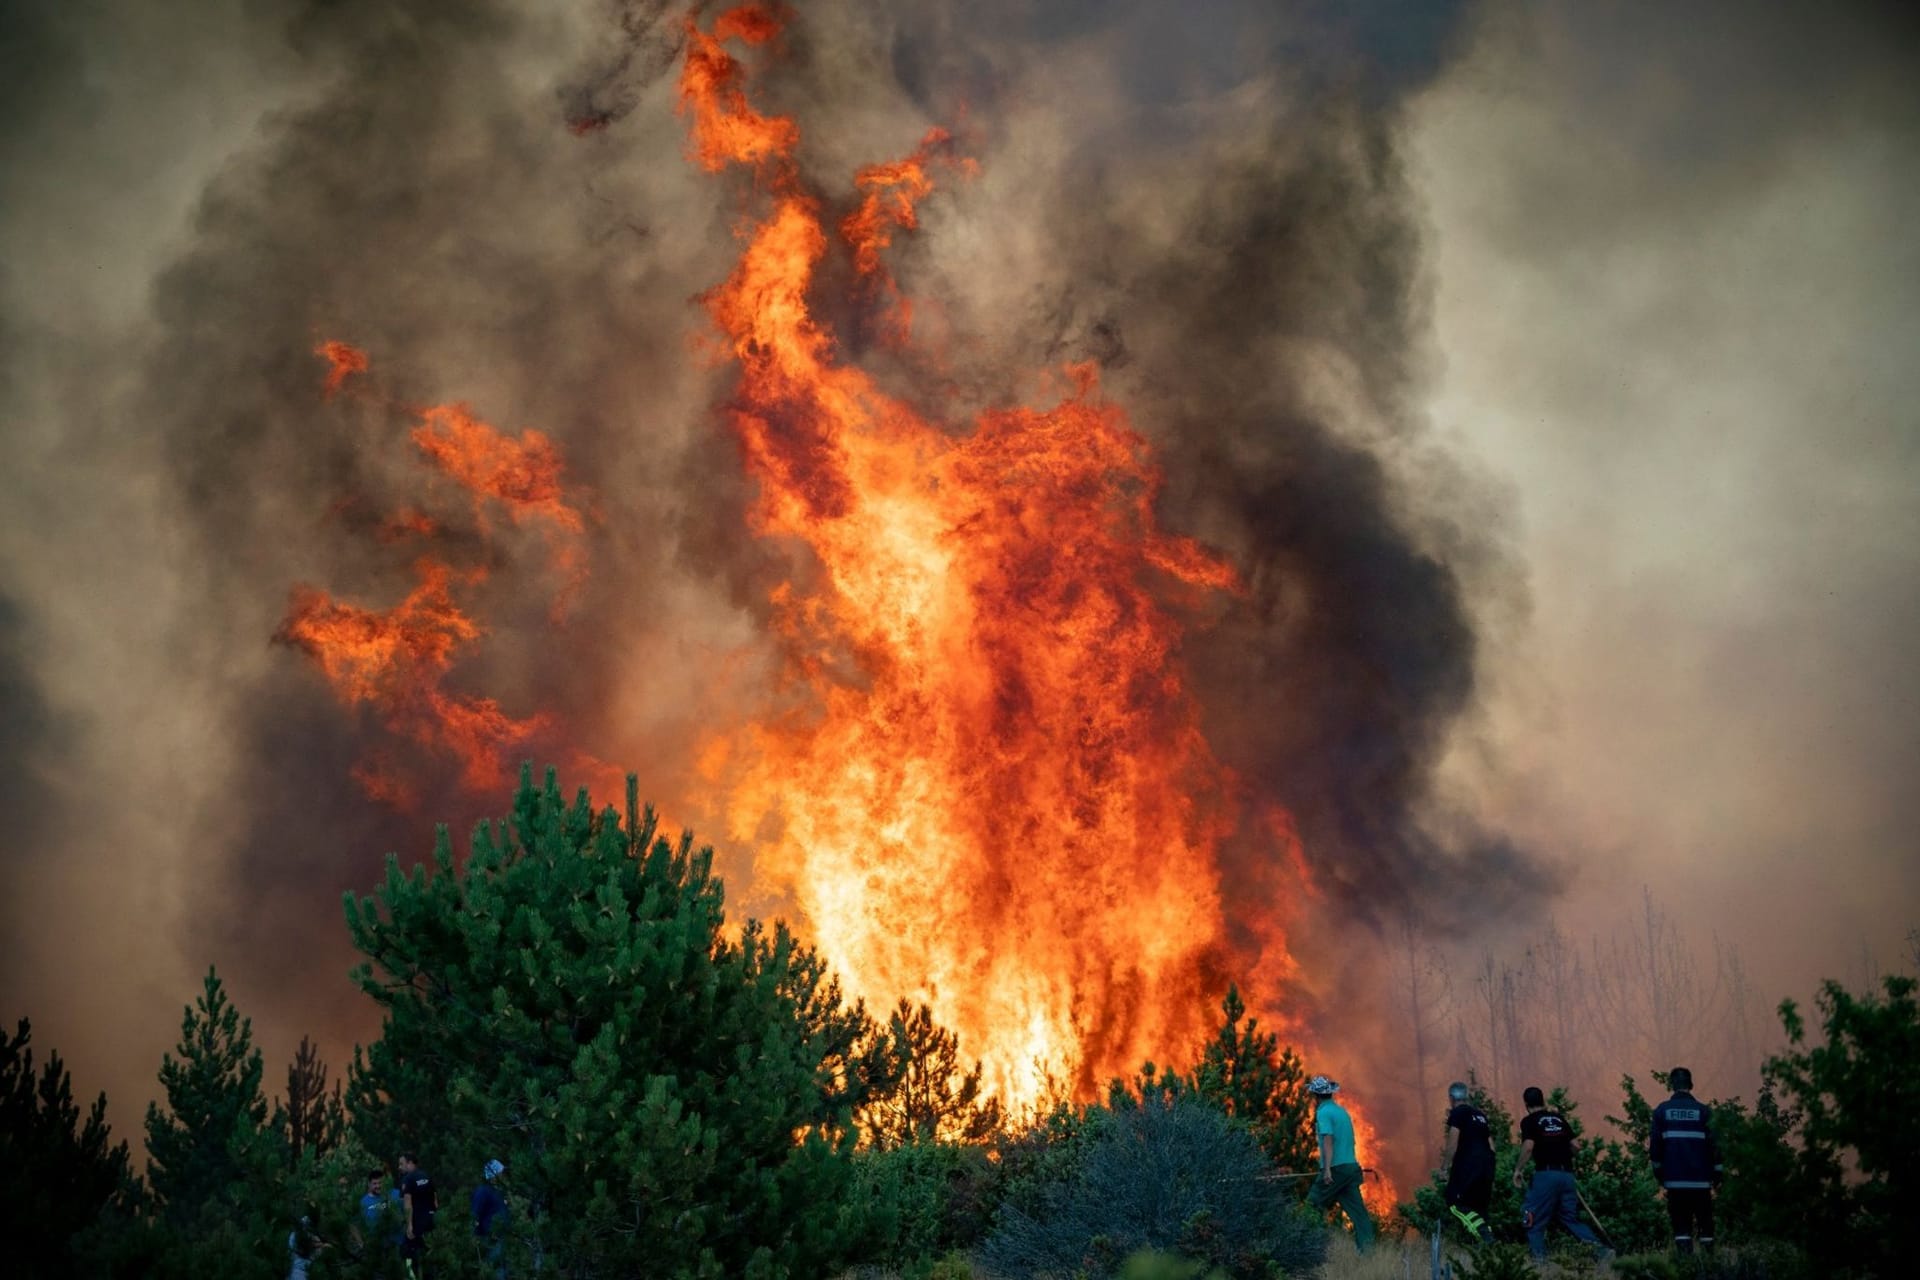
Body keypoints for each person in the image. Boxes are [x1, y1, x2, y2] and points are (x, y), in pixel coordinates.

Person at [1512, 1086, 1610, 1262]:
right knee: (1570, 1219)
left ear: (1526, 1104)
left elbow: (1528, 1147)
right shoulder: (1559, 1119)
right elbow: (1576, 1146)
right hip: (1566, 1176)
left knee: (1532, 1221)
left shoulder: (1529, 1121)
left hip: (1545, 1175)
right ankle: (1601, 1251)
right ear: (1543, 1101)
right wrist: (1562, 1156)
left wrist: (1518, 1170)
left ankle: (1540, 1265)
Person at [1650, 1066, 1723, 1255]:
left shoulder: (1662, 1111)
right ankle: (1709, 1262)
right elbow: (1715, 1145)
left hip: (1675, 1181)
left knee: (1681, 1226)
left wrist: (1659, 1171)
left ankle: (1685, 1264)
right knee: (1705, 1224)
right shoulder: (1704, 1111)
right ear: (1690, 1084)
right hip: (1701, 1181)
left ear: (1672, 1085)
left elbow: (1656, 1146)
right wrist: (1718, 1172)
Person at [1305, 1074, 1376, 1253]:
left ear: (1316, 1096)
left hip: (1336, 1169)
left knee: (1310, 1205)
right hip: (1351, 1168)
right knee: (1358, 1214)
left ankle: (1301, 1248)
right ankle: (1368, 1252)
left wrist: (1327, 1170)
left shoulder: (1323, 1112)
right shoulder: (1341, 1111)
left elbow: (1328, 1139)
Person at [1439, 1081, 1496, 1243]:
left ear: (1451, 1098)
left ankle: (1485, 1236)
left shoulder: (1458, 1113)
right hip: (1487, 1166)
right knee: (1479, 1207)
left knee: (1454, 1202)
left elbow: (1452, 1143)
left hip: (1468, 1165)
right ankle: (1487, 1247)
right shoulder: (1480, 1115)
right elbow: (1491, 1146)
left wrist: (1444, 1168)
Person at [398, 1151, 438, 1278]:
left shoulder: (408, 1179)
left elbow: (407, 1203)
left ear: (410, 1163)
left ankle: (411, 1277)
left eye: (401, 1164)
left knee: (407, 1253)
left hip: (417, 1222)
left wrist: (409, 1225)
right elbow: (435, 1201)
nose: (399, 1167)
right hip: (430, 1221)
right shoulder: (426, 1176)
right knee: (429, 1253)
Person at [472, 1158, 509, 1278]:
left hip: (503, 1236)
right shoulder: (483, 1191)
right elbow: (475, 1214)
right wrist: (475, 1234)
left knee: (504, 1267)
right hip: (491, 1237)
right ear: (494, 1174)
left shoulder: (499, 1191)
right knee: (497, 1269)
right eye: (501, 1172)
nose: (503, 1175)